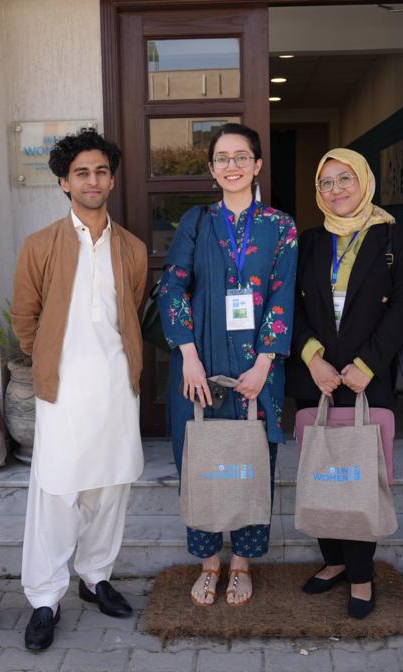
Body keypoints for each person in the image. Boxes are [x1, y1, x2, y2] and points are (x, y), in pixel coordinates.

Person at [11, 129, 148, 651]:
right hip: (62, 392)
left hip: (117, 387)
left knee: (110, 489)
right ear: (64, 182)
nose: (93, 180)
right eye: (82, 172)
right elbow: (25, 317)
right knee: (57, 491)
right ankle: (44, 599)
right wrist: (52, 357)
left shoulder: (131, 248)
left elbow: (130, 311)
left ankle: (96, 577)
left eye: (101, 171)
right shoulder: (40, 245)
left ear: (112, 179)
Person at [158, 123, 298, 607]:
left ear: (258, 165)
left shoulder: (281, 227)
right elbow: (172, 286)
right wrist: (188, 357)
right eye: (222, 158)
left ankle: (241, 564)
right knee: (200, 463)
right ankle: (208, 563)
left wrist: (264, 365)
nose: (232, 166)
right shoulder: (196, 222)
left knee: (252, 464)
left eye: (242, 157)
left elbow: (281, 295)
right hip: (200, 365)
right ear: (212, 168)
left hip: (258, 371)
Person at [286, 148, 403, 619]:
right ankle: (334, 561)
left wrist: (369, 363)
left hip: (369, 379)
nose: (336, 189)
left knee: (361, 477)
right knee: (322, 471)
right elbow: (291, 307)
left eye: (345, 179)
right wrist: (311, 356)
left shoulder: (396, 239)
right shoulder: (309, 241)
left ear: (364, 181)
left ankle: (362, 574)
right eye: (326, 183)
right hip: (317, 379)